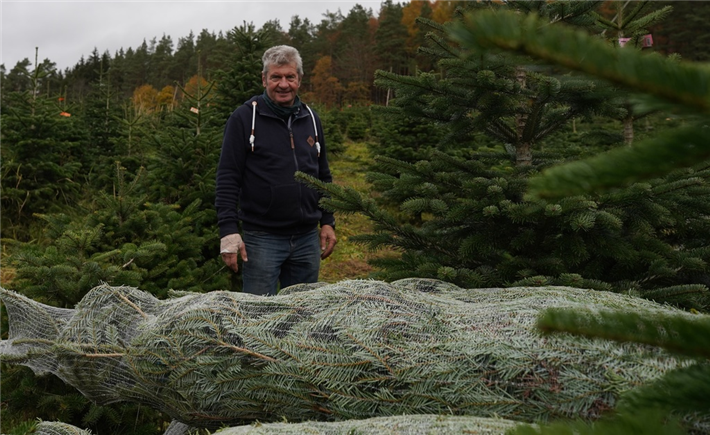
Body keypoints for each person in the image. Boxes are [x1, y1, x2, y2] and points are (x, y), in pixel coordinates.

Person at [215, 45, 337, 296]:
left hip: (306, 238)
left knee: (302, 312)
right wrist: (228, 231)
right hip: (262, 239)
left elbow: (322, 175)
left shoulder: (311, 118)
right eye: (276, 77)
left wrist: (327, 221)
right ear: (264, 79)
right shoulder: (244, 118)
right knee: (259, 317)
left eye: (290, 77)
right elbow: (228, 176)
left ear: (299, 80)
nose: (283, 84)